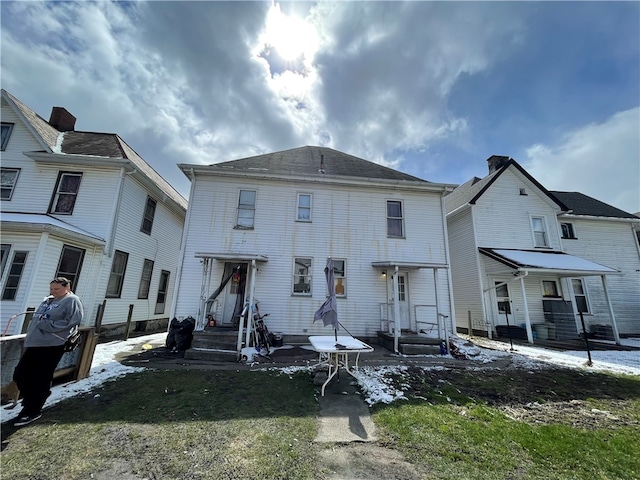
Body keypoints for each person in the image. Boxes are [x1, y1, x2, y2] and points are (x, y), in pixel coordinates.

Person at [12, 277, 84, 427]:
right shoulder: (47, 301)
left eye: (57, 289)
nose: (53, 292)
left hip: (52, 344)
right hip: (34, 343)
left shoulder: (71, 300)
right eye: (51, 289)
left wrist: (47, 325)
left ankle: (32, 410)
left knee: (41, 377)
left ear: (67, 287)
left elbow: (73, 321)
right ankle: (32, 400)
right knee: (20, 374)